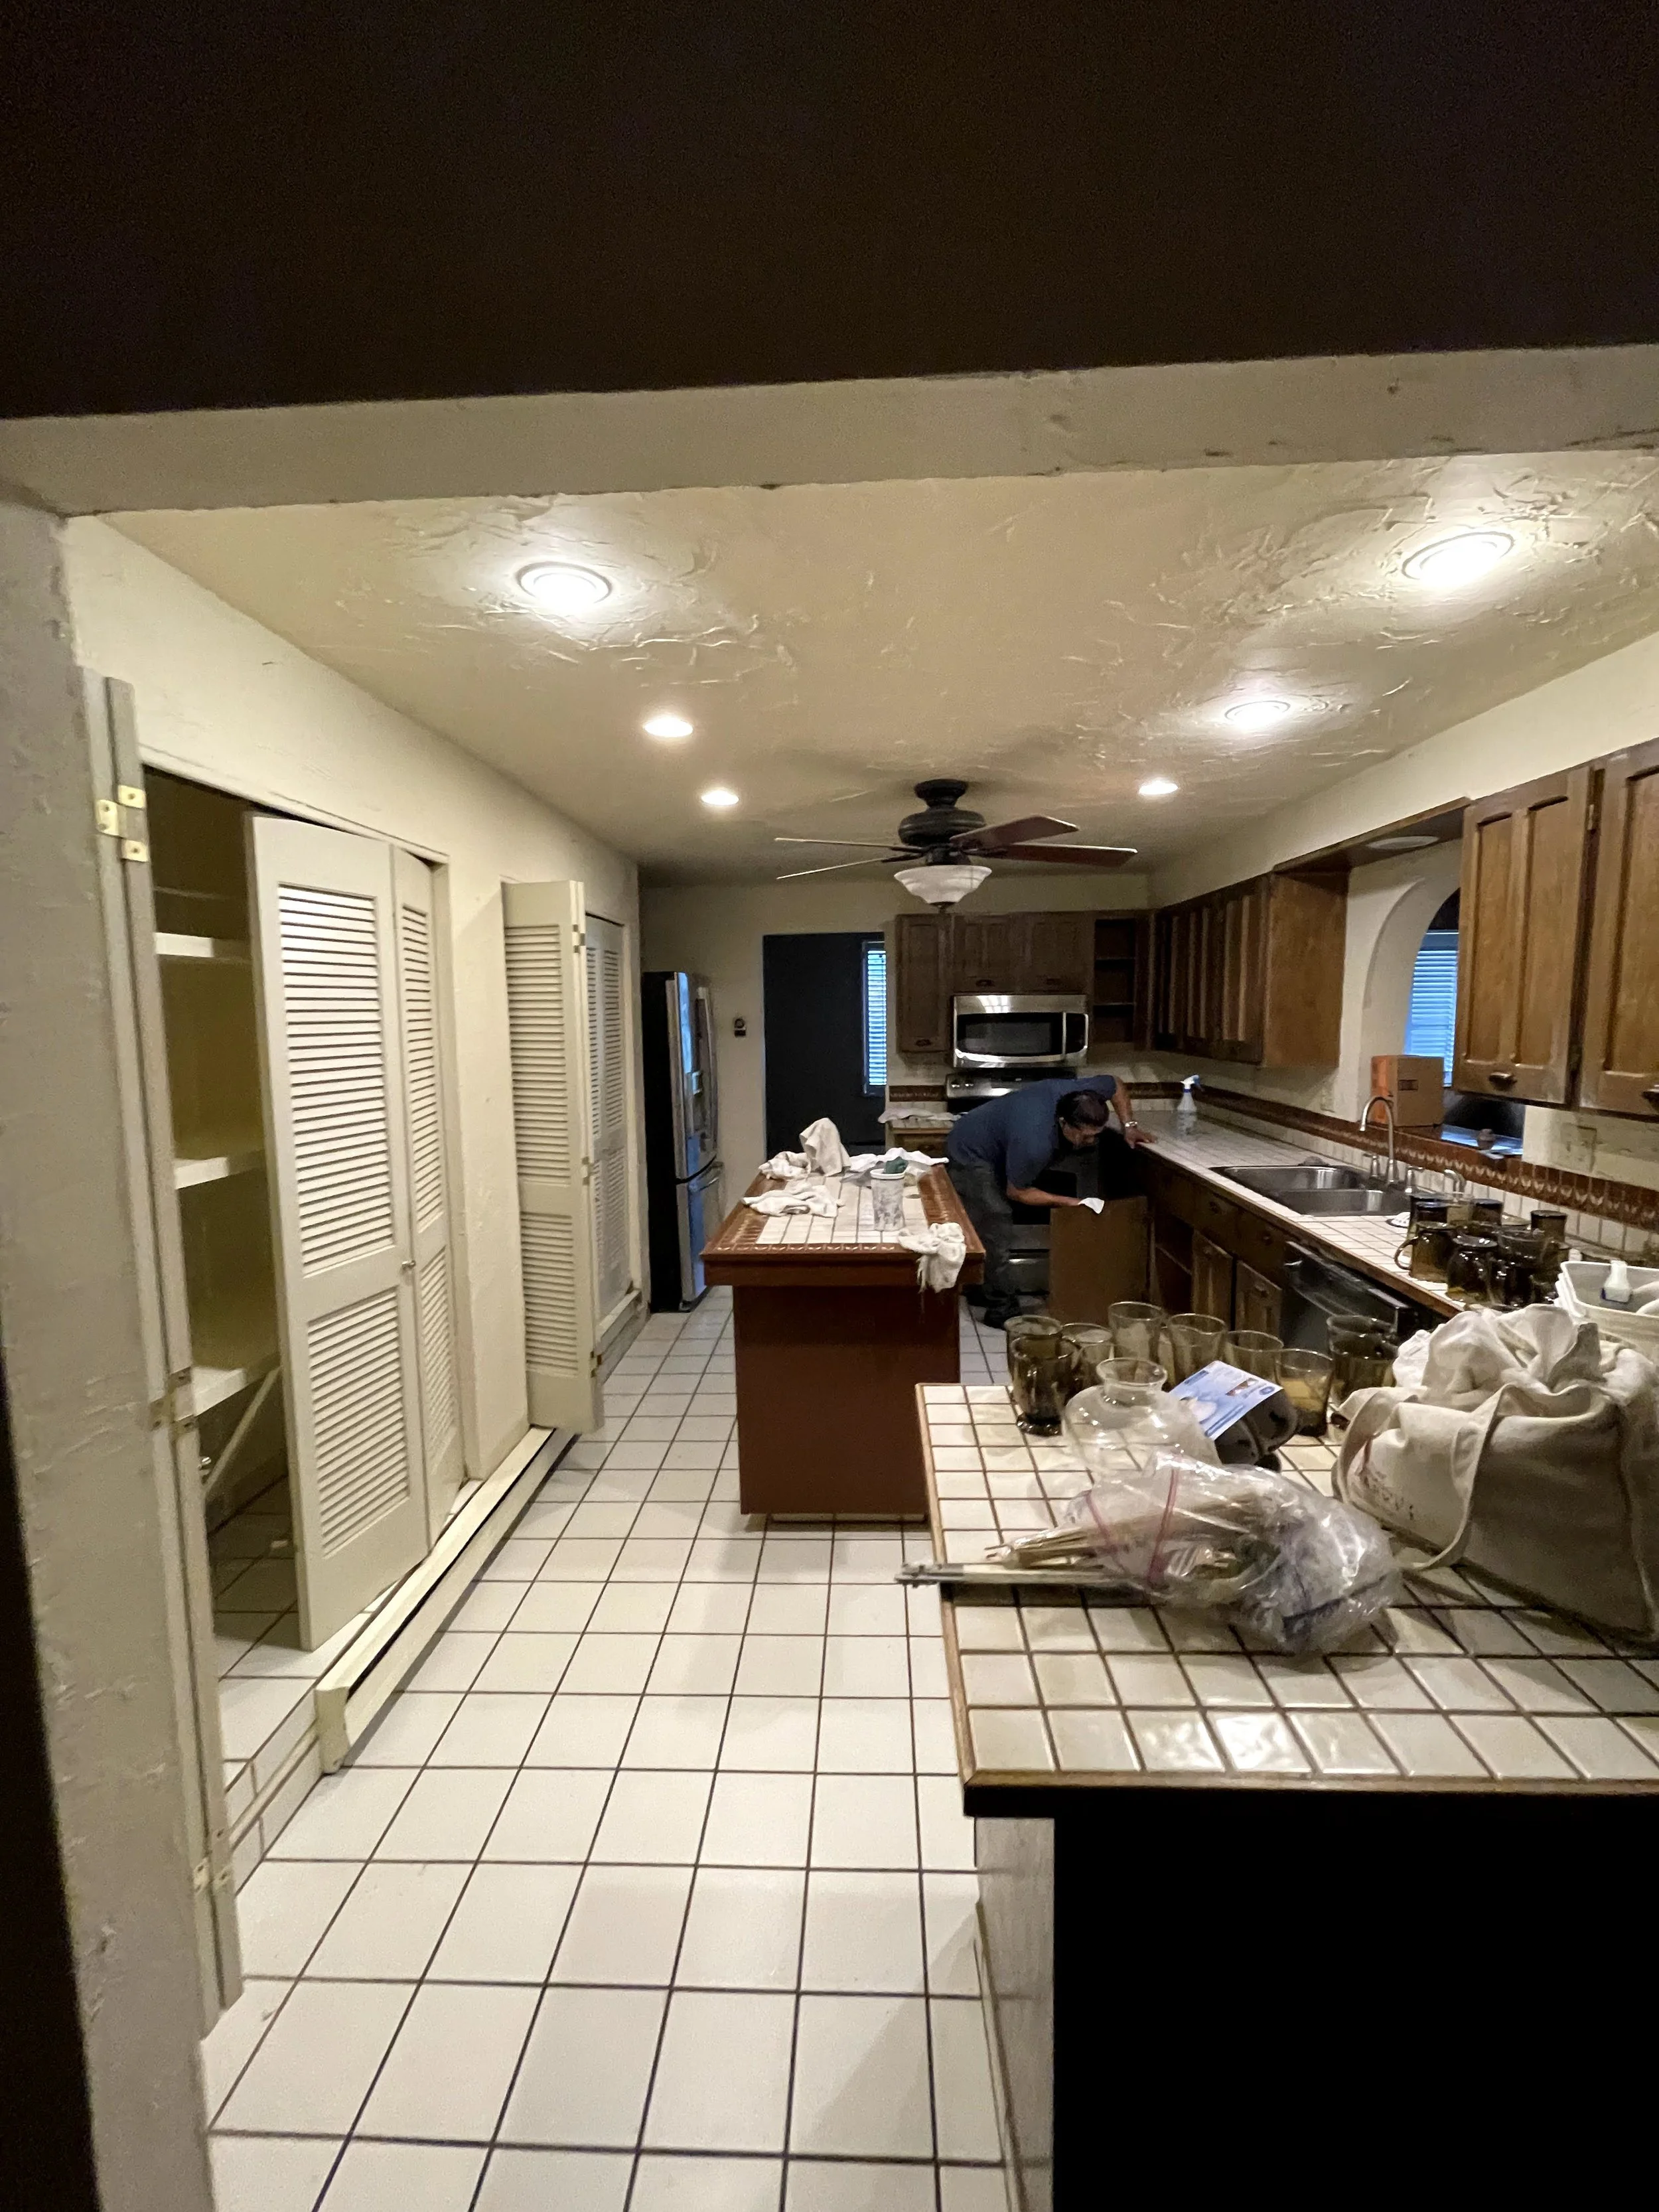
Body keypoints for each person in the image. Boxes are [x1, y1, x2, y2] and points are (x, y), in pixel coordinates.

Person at [946, 1076, 1151, 1329]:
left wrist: (1129, 1126)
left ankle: (985, 1288)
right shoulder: (1035, 1142)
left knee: (994, 1215)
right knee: (993, 1222)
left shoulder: (1083, 1094)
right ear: (1064, 1123)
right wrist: (1074, 1202)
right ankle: (1002, 1307)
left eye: (1096, 1135)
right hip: (970, 1151)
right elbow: (1018, 1192)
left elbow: (1116, 1084)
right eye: (1085, 1137)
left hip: (1002, 1139)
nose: (1092, 1143)